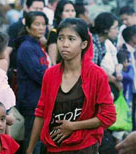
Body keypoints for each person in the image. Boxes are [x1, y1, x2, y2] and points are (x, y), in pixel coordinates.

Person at [26, 18, 116, 154]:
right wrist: (30, 149)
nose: (65, 44)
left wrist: (73, 126)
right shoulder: (50, 74)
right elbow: (41, 112)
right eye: (61, 38)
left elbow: (108, 116)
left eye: (71, 39)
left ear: (84, 44)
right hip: (52, 147)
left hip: (84, 147)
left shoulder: (97, 75)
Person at [15, 11, 49, 154]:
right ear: (28, 27)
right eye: (37, 24)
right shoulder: (27, 47)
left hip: (38, 100)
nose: (41, 28)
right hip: (30, 101)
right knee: (32, 141)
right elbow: (39, 74)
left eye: (43, 24)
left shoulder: (37, 45)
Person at [91, 12, 121, 99]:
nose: (117, 31)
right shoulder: (93, 45)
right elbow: (91, 73)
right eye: (115, 28)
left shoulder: (102, 44)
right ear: (105, 29)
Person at [47, 0, 76, 65]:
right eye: (67, 11)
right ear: (60, 14)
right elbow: (53, 61)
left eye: (73, 11)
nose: (71, 14)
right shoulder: (54, 33)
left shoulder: (76, 31)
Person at [118, 25, 136, 130]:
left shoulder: (134, 52)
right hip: (127, 89)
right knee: (127, 115)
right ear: (133, 37)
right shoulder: (123, 52)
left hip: (133, 88)